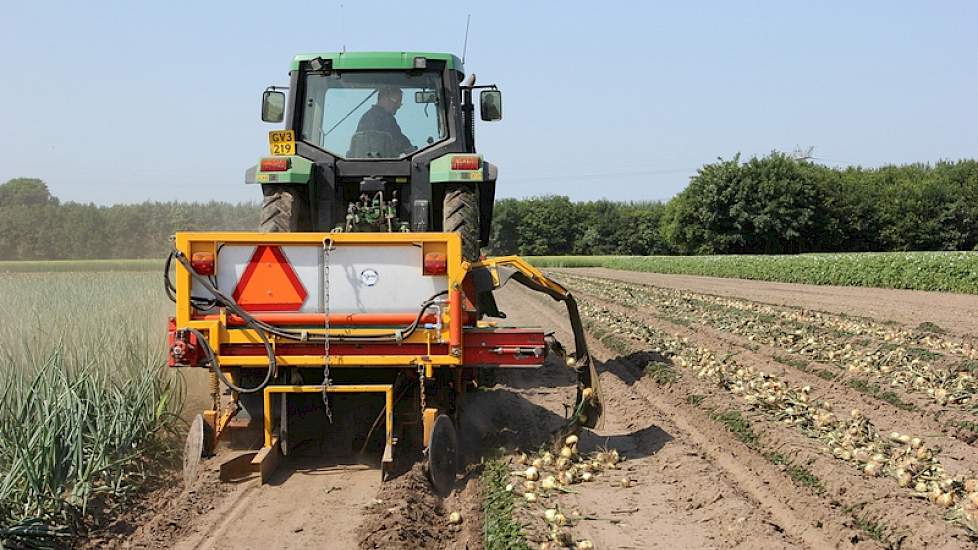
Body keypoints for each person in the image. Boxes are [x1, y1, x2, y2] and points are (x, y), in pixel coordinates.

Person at [354, 86, 414, 154]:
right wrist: (411, 150)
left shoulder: (367, 117)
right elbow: (400, 141)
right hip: (383, 162)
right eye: (396, 101)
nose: (398, 106)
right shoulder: (384, 119)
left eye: (400, 103)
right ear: (383, 98)